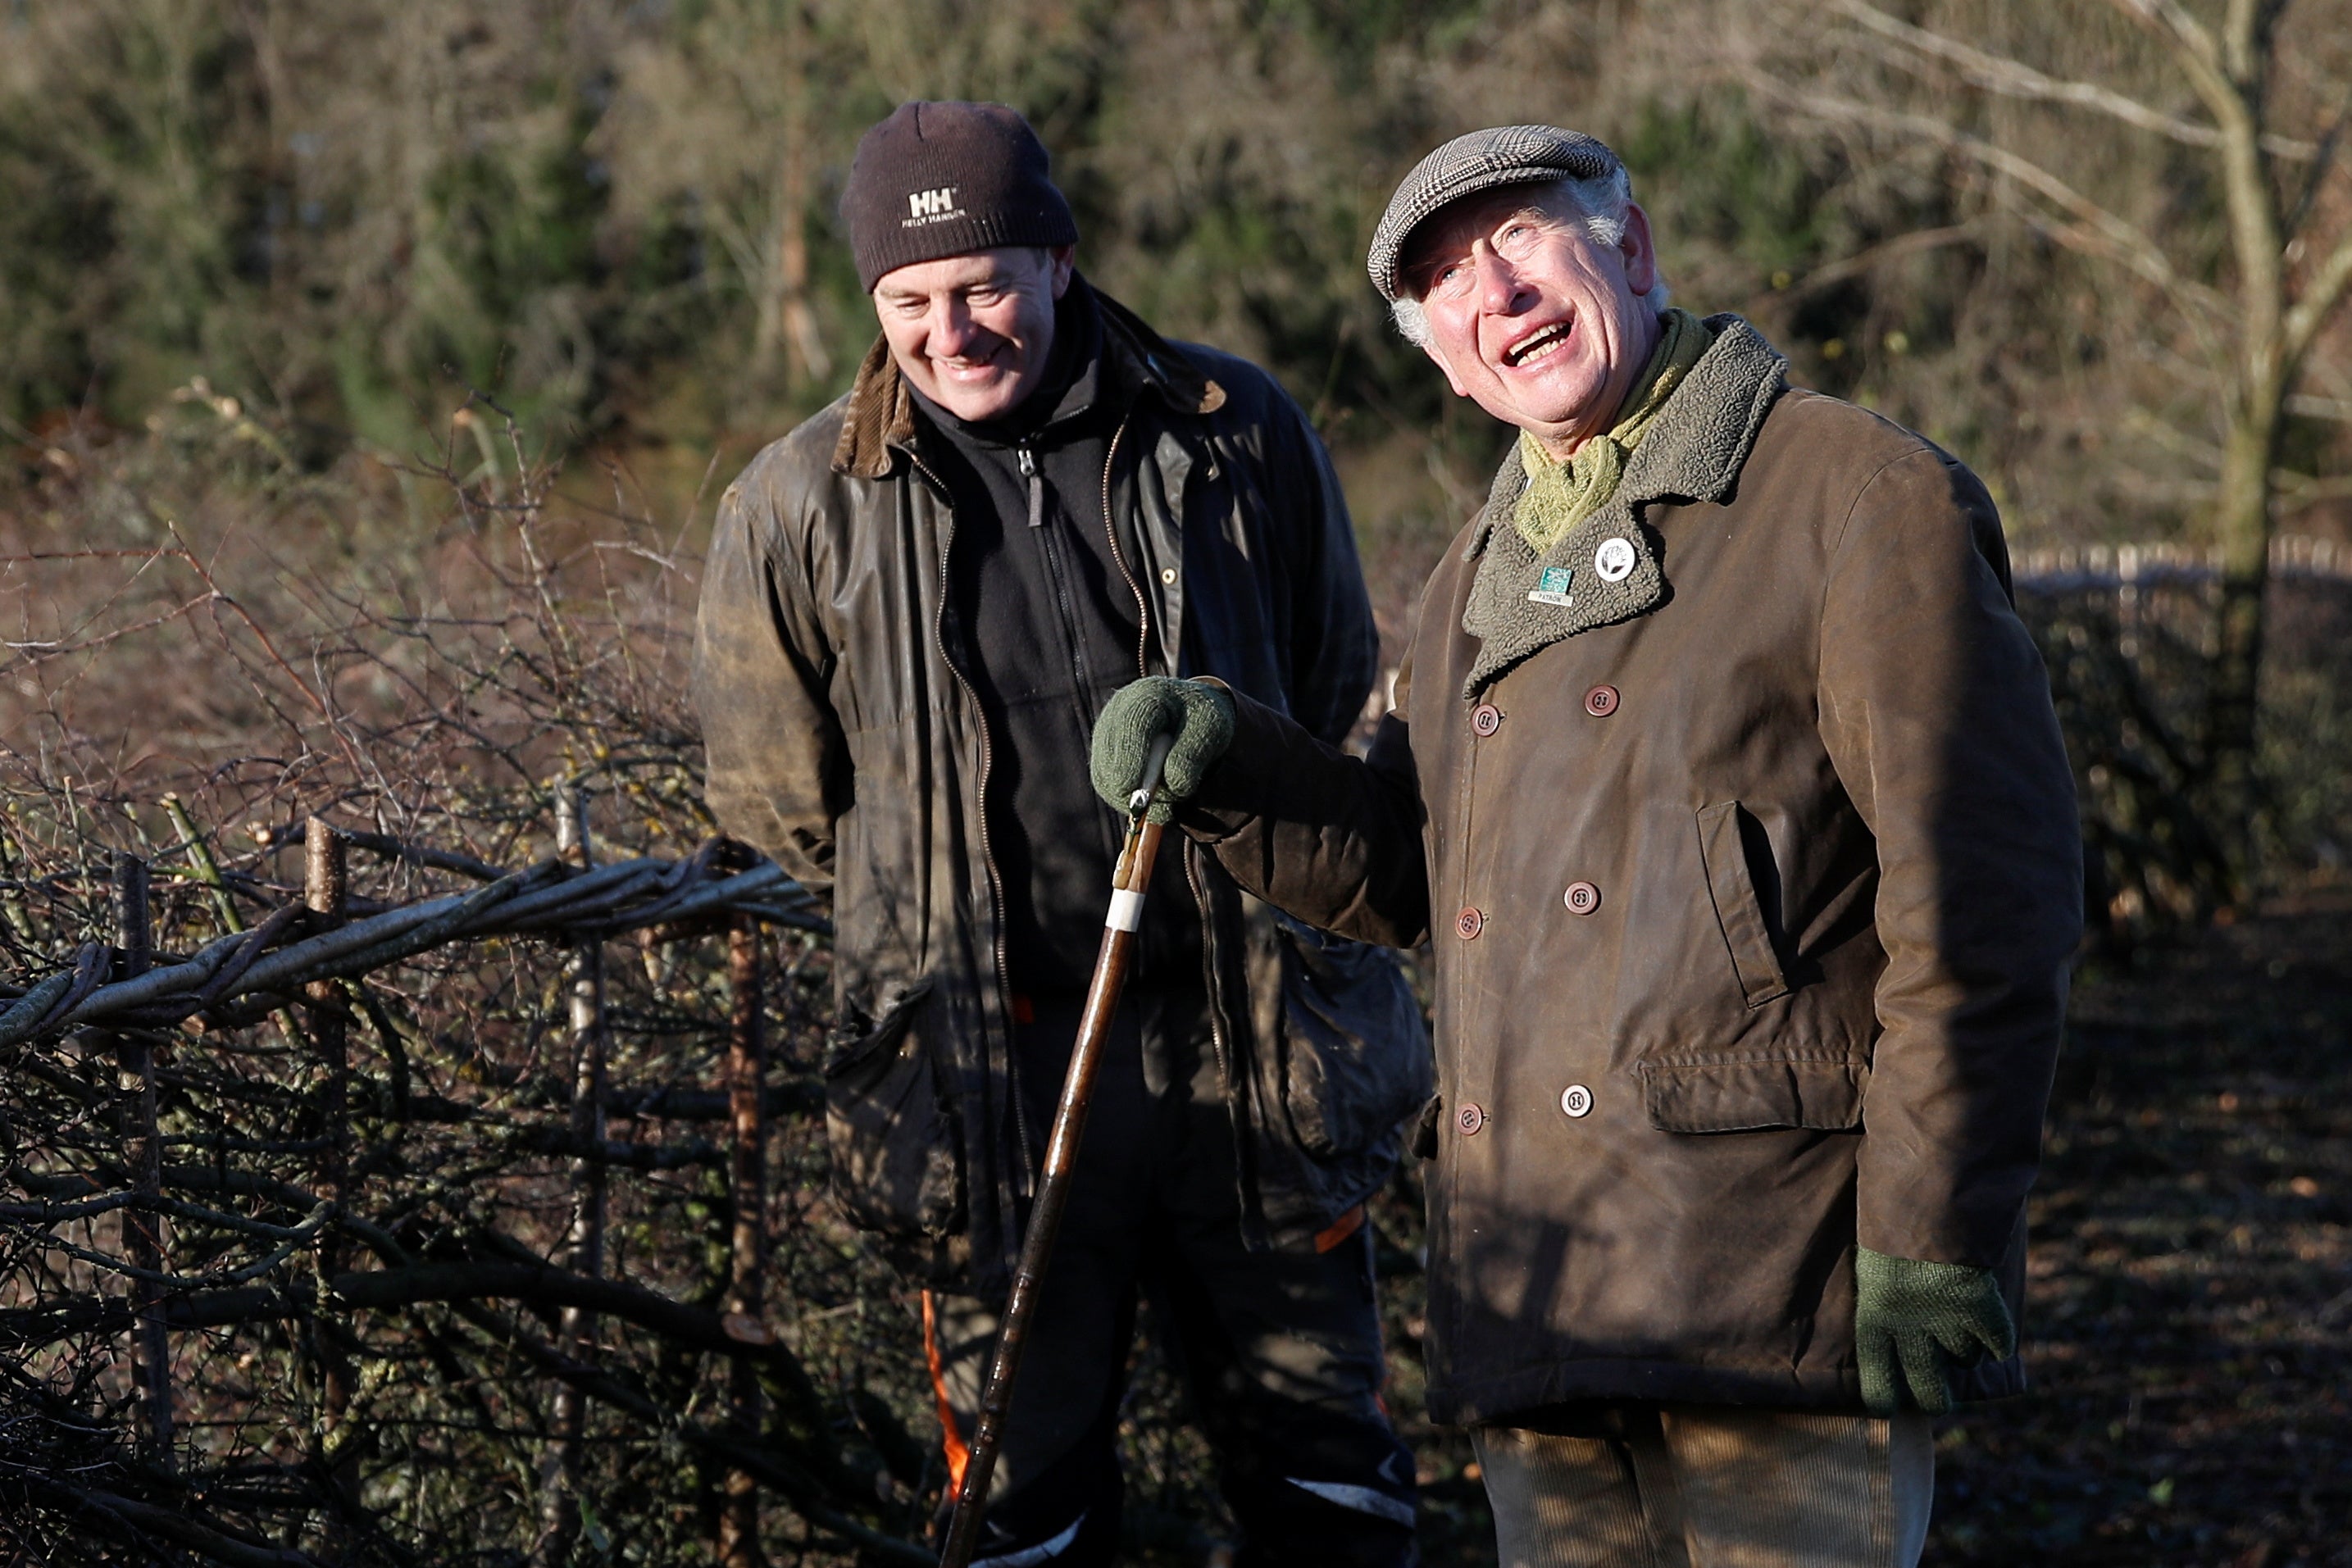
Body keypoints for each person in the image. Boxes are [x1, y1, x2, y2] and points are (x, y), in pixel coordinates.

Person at [1092, 124, 2082, 1566]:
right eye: (1444, 279)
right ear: (1437, 353)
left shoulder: (1851, 494)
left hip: (1766, 1274)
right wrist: (1235, 767)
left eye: (1516, 238)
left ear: (1629, 244)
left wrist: (1933, 1225)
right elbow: (1410, 868)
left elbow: (1984, 895)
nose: (1491, 293)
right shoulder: (1476, 579)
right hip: (1541, 1288)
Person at [691, 101, 1426, 1568]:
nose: (947, 330)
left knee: (1329, 1479)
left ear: (1059, 260)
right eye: (905, 300)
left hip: (1256, 1050)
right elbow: (776, 799)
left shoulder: (1233, 433)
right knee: (1021, 1510)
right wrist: (945, 893)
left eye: (980, 285)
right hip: (984, 1084)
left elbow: (1326, 680)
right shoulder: (796, 504)